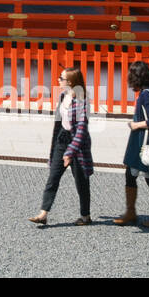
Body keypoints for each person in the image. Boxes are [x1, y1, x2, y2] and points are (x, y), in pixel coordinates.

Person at [29, 66, 93, 226]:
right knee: (53, 176)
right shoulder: (64, 95)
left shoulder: (82, 100)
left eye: (61, 78)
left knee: (81, 182)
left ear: (70, 82)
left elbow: (81, 131)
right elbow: (59, 120)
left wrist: (70, 152)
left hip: (77, 146)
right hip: (62, 139)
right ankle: (43, 213)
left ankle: (85, 216)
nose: (58, 80)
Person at [114, 60, 149, 228]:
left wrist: (135, 125)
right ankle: (130, 212)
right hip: (141, 140)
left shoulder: (146, 94)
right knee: (130, 175)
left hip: (146, 142)